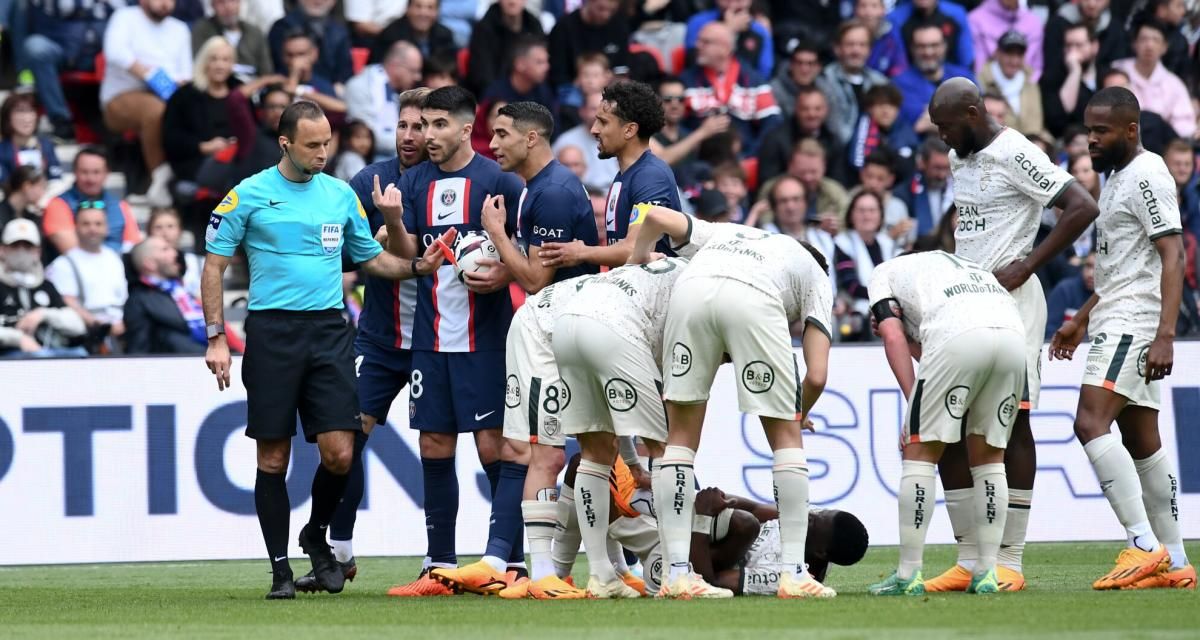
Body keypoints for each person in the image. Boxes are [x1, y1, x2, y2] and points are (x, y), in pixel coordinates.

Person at [201, 100, 453, 600]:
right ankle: (279, 570)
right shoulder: (247, 195)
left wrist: (418, 268)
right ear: (285, 143)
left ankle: (315, 533)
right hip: (272, 334)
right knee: (272, 458)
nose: (322, 153)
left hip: (330, 332)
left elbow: (370, 259)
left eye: (327, 143)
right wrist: (215, 337)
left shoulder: (340, 196)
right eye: (312, 145)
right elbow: (214, 267)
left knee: (340, 453)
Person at [923, 77, 1100, 592]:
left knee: (1013, 423)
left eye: (946, 127)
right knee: (950, 425)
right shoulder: (964, 155)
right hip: (963, 302)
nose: (941, 138)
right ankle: (969, 559)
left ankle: (1011, 562)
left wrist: (1027, 264)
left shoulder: (1015, 152)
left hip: (1012, 304)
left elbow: (1082, 205)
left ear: (974, 114)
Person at [427, 102, 600, 597]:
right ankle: (509, 561)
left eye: (501, 135)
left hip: (564, 334)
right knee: (532, 448)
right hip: (557, 331)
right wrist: (505, 262)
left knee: (551, 452)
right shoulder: (535, 189)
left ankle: (554, 567)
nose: (492, 144)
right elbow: (530, 269)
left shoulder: (552, 194)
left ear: (531, 139)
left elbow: (536, 277)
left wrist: (497, 236)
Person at [629, 204, 835, 599]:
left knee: (680, 442)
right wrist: (798, 412)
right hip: (754, 303)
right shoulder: (815, 276)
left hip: (690, 295)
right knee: (786, 442)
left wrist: (633, 262)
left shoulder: (731, 232)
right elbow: (817, 375)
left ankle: (676, 575)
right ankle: (793, 573)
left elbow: (653, 216)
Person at [375, 86, 526, 596]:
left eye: (438, 125)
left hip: (485, 338)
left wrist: (506, 271)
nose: (426, 135)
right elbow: (407, 254)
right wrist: (395, 222)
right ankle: (439, 563)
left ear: (466, 129)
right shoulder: (413, 181)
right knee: (434, 444)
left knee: (493, 447)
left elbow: (524, 251)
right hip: (431, 336)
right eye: (421, 125)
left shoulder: (496, 178)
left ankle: (510, 562)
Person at [1049, 87, 1194, 590]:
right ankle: (1176, 561)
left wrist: (1165, 334)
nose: (1091, 140)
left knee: (1089, 421)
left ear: (1130, 129)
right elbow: (1124, 268)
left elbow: (1173, 255)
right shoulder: (1115, 180)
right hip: (1117, 313)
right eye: (1088, 129)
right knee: (1142, 442)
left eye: (1101, 130)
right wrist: (1081, 317)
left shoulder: (1149, 174)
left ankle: (1141, 543)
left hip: (1135, 322)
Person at [293, 88, 433, 595]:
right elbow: (347, 257)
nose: (412, 135)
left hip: (437, 340)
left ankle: (438, 560)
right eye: (404, 125)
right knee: (346, 443)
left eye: (423, 126)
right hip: (377, 338)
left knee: (438, 445)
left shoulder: (453, 181)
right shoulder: (366, 181)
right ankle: (339, 553)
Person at [865, 249, 1027, 595]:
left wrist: (914, 407)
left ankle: (909, 574)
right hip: (1014, 337)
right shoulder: (958, 267)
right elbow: (944, 351)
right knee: (990, 457)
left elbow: (893, 336)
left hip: (959, 334)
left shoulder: (885, 271)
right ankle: (986, 572)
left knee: (919, 453)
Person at [552, 453, 870, 596]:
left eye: (815, 520)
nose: (808, 515)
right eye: (816, 512)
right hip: (685, 527)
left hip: (683, 564)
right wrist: (702, 497)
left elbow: (714, 581)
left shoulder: (788, 577)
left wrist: (704, 518)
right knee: (585, 464)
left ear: (821, 549)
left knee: (743, 525)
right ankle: (573, 575)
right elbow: (754, 508)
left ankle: (569, 574)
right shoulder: (800, 525)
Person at [541, 80, 682, 270]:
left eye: (603, 122)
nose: (594, 129)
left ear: (629, 130)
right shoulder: (626, 175)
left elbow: (634, 249)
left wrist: (581, 252)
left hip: (653, 297)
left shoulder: (650, 176)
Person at [101, 0, 194, 208]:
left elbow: (186, 73)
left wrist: (172, 82)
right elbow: (114, 52)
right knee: (155, 110)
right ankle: (160, 179)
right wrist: (149, 74)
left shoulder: (180, 29)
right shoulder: (125, 17)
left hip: (168, 94)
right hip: (122, 95)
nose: (165, 4)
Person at [680, 21, 781, 158]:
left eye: (706, 42)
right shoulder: (685, 81)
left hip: (743, 158)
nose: (697, 46)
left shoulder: (754, 81)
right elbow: (674, 123)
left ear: (725, 48)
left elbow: (772, 124)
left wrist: (751, 155)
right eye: (698, 40)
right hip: (698, 159)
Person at [44, 207, 129, 351]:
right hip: (87, 334)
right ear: (75, 227)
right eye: (86, 224)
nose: (92, 229)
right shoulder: (63, 264)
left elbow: (123, 296)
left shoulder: (114, 258)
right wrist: (100, 324)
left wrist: (122, 323)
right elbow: (67, 301)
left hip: (121, 329)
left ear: (107, 228)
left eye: (98, 224)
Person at [0, 219, 86, 358]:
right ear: (2, 250)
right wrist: (18, 339)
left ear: (38, 252)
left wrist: (44, 314)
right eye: (15, 246)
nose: (21, 252)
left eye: (28, 247)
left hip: (47, 352)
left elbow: (78, 326)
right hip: (8, 357)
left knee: (80, 354)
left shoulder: (46, 286)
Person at [41, 147, 140, 261]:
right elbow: (74, 253)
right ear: (75, 172)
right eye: (84, 172)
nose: (90, 179)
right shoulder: (57, 205)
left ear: (107, 173)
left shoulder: (121, 206)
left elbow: (134, 248)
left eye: (96, 172)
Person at [1111, 21, 1196, 140]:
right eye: (1144, 39)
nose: (1149, 45)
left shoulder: (1174, 83)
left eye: (1156, 40)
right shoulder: (1117, 71)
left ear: (1164, 47)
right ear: (1134, 43)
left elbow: (1184, 125)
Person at [124, 236, 208, 354]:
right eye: (165, 249)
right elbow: (138, 351)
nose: (175, 254)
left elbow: (215, 328)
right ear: (149, 264)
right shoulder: (139, 300)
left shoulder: (181, 292)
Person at [834, 191, 899, 341]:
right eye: (861, 210)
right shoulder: (842, 242)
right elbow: (850, 286)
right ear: (851, 215)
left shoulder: (887, 244)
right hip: (855, 310)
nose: (867, 215)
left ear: (880, 215)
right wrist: (885, 297)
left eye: (872, 210)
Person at [815, 20, 889, 148]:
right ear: (837, 48)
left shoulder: (880, 82)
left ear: (870, 50)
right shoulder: (824, 80)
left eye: (862, 45)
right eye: (850, 44)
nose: (856, 50)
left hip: (874, 152)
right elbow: (836, 130)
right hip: (835, 153)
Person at [346, 41, 423, 160]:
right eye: (413, 71)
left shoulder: (399, 91)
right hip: (369, 160)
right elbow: (367, 138)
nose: (418, 77)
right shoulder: (361, 86)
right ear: (395, 65)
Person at [893, 23, 975, 132]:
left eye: (934, 45)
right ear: (912, 49)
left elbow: (977, 117)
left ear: (945, 46)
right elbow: (916, 125)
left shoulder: (964, 77)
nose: (928, 52)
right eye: (921, 46)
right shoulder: (898, 85)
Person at [976, 31, 1044, 136]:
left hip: (1029, 143)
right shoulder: (980, 81)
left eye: (1019, 54)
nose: (1014, 60)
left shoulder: (1031, 82)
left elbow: (1037, 125)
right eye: (1009, 53)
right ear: (997, 53)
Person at [191, 0, 272, 79]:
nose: (228, 7)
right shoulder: (202, 29)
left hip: (253, 86)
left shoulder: (255, 32)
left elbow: (266, 71)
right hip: (215, 86)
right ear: (212, 6)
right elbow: (199, 66)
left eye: (232, 1)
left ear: (240, 3)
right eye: (221, 2)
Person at [967, 0, 1044, 79]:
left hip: (1025, 86)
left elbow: (1036, 69)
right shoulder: (975, 19)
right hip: (986, 85)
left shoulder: (1034, 22)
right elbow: (978, 67)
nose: (1014, 61)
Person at [0, 93, 63, 186]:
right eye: (20, 111)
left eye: (30, 111)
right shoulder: (3, 150)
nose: (26, 119)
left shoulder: (46, 145)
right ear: (8, 118)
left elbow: (55, 177)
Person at [371, 0, 457, 64]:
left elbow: (449, 69)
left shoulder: (445, 36)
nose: (423, 13)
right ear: (407, 9)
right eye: (418, 6)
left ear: (437, 12)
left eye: (430, 8)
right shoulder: (390, 35)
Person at [147, 207, 203, 299]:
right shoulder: (142, 265)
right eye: (158, 227)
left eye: (170, 226)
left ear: (180, 230)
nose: (165, 233)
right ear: (149, 231)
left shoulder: (197, 263)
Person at [1046, 251, 1096, 340]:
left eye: (1097, 269)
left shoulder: (1113, 297)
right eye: (1088, 266)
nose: (1090, 274)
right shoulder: (1064, 290)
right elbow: (1049, 331)